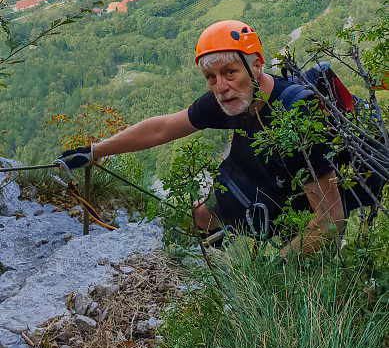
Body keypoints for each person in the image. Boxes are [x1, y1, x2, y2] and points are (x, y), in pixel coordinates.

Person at [56, 20, 344, 255]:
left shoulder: (298, 119)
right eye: (211, 77)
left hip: (290, 211)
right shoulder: (233, 98)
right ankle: (217, 254)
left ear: (256, 65)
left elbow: (331, 219)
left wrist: (274, 271)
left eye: (230, 72)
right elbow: (163, 128)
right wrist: (96, 150)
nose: (220, 87)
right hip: (252, 188)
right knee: (197, 216)